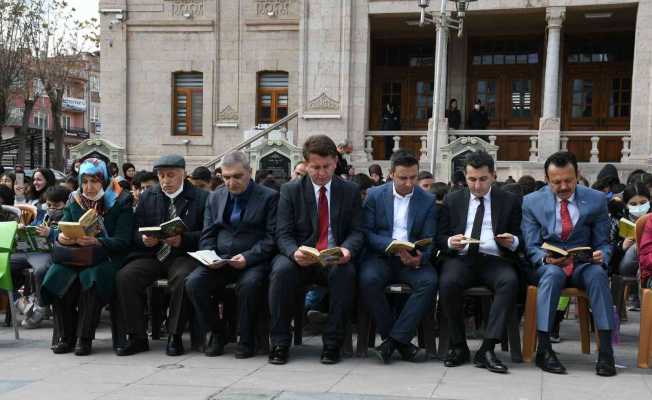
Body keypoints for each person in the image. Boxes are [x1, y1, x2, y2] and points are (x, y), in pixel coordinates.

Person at [268, 135, 364, 365]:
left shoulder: (349, 191)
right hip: (300, 257)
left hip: (333, 257)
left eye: (326, 167)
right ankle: (280, 342)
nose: (321, 173)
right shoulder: (290, 191)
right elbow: (282, 233)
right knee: (280, 272)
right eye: (315, 167)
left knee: (346, 274)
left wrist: (347, 250)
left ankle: (332, 343)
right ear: (305, 164)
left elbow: (358, 231)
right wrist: (294, 252)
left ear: (335, 162)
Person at [521, 151, 616, 377]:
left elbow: (604, 241)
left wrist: (603, 254)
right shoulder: (531, 202)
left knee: (598, 276)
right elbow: (531, 245)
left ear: (577, 175)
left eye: (568, 180)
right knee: (552, 275)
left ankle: (606, 351)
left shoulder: (596, 199)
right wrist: (545, 258)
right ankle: (544, 349)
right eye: (556, 182)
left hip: (583, 263)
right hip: (550, 263)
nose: (563, 186)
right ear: (547, 180)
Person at [185, 151, 278, 358]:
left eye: (237, 176)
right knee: (193, 283)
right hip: (220, 261)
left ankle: (245, 338)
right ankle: (218, 332)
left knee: (250, 285)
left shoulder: (269, 197)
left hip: (253, 261)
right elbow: (208, 234)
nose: (231, 182)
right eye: (226, 177)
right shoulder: (215, 196)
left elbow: (271, 238)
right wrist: (210, 257)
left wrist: (248, 257)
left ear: (249, 172)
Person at [437, 150, 522, 374]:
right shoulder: (453, 199)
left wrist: (512, 241)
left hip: (495, 258)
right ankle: (458, 345)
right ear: (465, 177)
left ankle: (488, 347)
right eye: (472, 179)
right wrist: (449, 242)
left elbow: (520, 237)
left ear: (493, 175)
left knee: (509, 281)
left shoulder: (509, 200)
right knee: (447, 282)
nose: (477, 185)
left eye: (482, 179)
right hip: (462, 257)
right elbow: (440, 236)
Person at [115, 155, 209, 357]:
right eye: (161, 176)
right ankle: (137, 337)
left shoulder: (201, 197)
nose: (166, 181)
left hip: (183, 255)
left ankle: (174, 335)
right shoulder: (150, 195)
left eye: (171, 175)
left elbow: (208, 234)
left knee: (183, 278)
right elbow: (136, 231)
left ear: (183, 174)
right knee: (126, 276)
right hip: (152, 254)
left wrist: (183, 240)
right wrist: (144, 240)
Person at [40, 158, 134, 355]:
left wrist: (99, 241)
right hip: (76, 255)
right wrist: (63, 237)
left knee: (91, 279)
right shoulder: (74, 199)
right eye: (85, 181)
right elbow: (63, 229)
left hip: (106, 256)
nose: (89, 187)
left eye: (94, 181)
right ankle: (67, 336)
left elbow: (124, 241)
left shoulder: (120, 199)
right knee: (55, 276)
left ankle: (84, 338)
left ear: (104, 180)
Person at [359, 150, 437, 364]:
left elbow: (430, 237)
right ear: (392, 174)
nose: (409, 183)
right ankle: (400, 342)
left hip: (411, 258)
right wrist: (390, 245)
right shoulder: (375, 195)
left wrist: (420, 258)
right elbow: (366, 232)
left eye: (413, 177)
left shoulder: (427, 200)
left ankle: (391, 343)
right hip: (381, 256)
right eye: (403, 178)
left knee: (429, 281)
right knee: (368, 280)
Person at [11, 186, 71, 328]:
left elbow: (68, 236)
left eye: (56, 206)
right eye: (49, 205)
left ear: (66, 203)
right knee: (3, 265)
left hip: (48, 253)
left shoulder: (69, 214)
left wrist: (51, 232)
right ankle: (22, 303)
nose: (51, 208)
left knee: (41, 271)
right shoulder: (42, 212)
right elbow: (33, 225)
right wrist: (24, 229)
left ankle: (41, 307)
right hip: (29, 251)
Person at [615, 182, 650, 310]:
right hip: (626, 264)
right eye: (634, 204)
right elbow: (610, 248)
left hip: (648, 262)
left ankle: (638, 298)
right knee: (637, 247)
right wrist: (622, 246)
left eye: (643, 202)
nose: (639, 207)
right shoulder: (619, 220)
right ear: (626, 204)